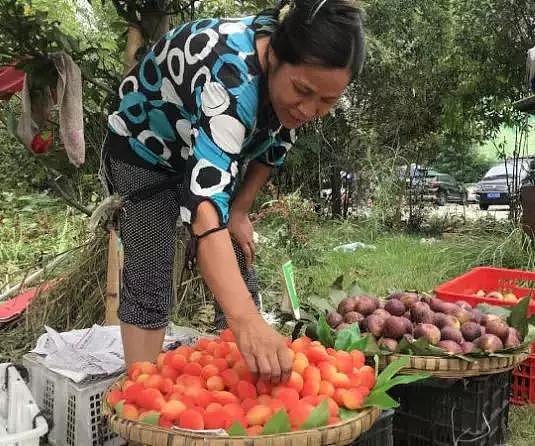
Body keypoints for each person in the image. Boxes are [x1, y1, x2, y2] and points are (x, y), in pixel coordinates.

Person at [100, 0, 366, 384]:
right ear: (273, 55)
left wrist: (240, 211)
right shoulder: (229, 77)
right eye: (303, 91)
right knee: (151, 270)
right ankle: (142, 399)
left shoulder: (292, 90)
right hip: (144, 151)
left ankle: (235, 384)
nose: (309, 110)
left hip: (199, 148)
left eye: (328, 100)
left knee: (237, 256)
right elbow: (205, 213)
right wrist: (246, 321)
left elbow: (276, 143)